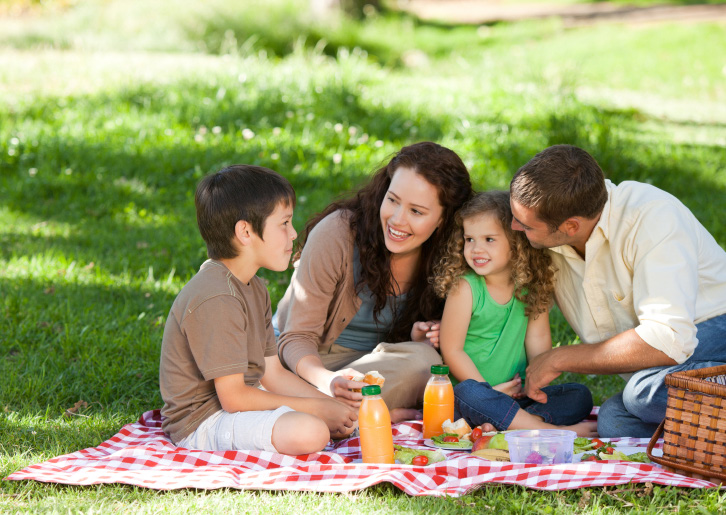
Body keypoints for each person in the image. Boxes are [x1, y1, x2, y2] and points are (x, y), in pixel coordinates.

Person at [509, 144, 726, 438]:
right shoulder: (549, 238)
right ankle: (709, 427)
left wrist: (559, 358)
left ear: (571, 226)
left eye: (525, 225)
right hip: (664, 367)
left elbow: (668, 338)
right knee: (615, 422)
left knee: (643, 394)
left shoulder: (652, 217)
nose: (513, 227)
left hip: (715, 327)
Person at [159, 165, 356, 455]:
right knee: (311, 430)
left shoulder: (254, 286)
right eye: (284, 223)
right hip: (202, 422)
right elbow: (233, 398)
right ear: (246, 232)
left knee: (330, 416)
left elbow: (272, 374)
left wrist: (328, 404)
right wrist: (317, 408)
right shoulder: (217, 297)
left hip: (243, 402)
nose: (293, 234)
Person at [275, 142, 474, 422]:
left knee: (425, 362)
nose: (397, 219)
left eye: (416, 211)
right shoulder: (337, 234)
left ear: (444, 219)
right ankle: (364, 414)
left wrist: (423, 337)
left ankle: (333, 414)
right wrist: (328, 382)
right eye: (392, 200)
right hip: (307, 363)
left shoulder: (454, 256)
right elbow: (295, 338)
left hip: (376, 370)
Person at [434, 191, 596, 436]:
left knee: (579, 395)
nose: (476, 249)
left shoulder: (531, 287)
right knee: (468, 392)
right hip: (473, 399)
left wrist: (536, 385)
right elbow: (452, 350)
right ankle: (549, 431)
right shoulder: (465, 287)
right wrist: (489, 391)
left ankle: (516, 424)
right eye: (469, 239)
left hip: (516, 397)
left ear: (516, 243)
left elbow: (538, 341)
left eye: (489, 239)